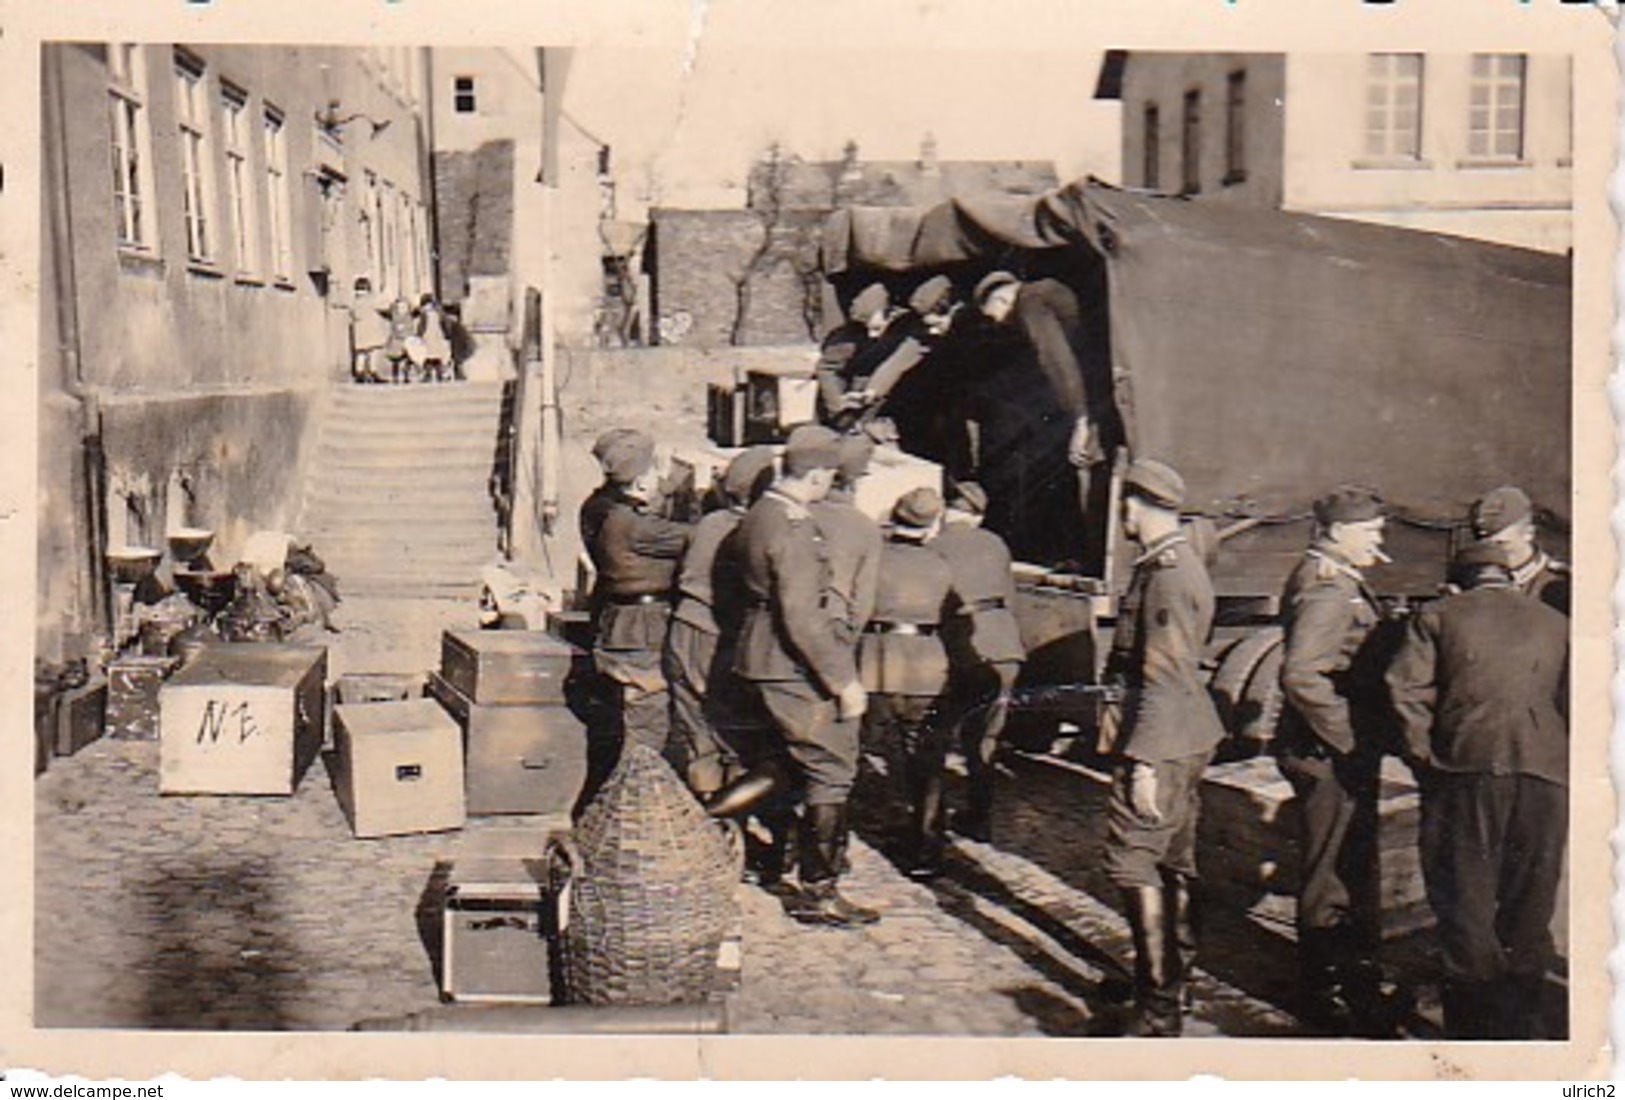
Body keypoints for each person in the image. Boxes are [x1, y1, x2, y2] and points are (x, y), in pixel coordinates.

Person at [1385, 541, 1567, 1039]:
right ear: (1506, 576)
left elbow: (1403, 689)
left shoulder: (1438, 616)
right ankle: (1523, 1025)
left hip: (1465, 774)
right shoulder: (1554, 622)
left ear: (1458, 580)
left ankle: (1474, 1034)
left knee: (1465, 899)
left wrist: (1426, 758)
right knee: (1531, 901)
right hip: (1546, 780)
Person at [1097, 458, 1226, 1037]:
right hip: (1183, 731)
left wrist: (1143, 760)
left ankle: (1158, 1007)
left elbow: (1164, 674)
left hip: (1163, 735)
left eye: (1126, 504)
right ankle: (1177, 977)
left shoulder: (1168, 574)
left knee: (1134, 858)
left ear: (1138, 505)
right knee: (1173, 858)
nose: (1123, 513)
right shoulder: (1168, 565)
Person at [730, 424, 877, 926]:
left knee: (784, 764)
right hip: (790, 662)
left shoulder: (758, 515)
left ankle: (716, 825)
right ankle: (819, 891)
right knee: (832, 768)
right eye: (826, 476)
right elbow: (803, 616)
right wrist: (843, 681)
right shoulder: (792, 526)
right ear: (815, 473)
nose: (826, 485)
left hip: (758, 654)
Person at [1275, 485, 1399, 1034]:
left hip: (1327, 747)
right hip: (1326, 750)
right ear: (1338, 532)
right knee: (1332, 871)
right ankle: (1322, 994)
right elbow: (1302, 674)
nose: (1378, 538)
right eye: (1369, 530)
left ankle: (1350, 982)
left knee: (1346, 862)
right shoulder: (1327, 589)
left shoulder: (1333, 576)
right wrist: (1349, 736)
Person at [971, 270, 1120, 566]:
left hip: (1088, 400)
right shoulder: (1050, 290)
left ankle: (1074, 555)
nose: (1002, 322)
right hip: (1100, 391)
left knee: (1066, 473)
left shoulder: (1029, 301)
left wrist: (1080, 419)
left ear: (1002, 297)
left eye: (997, 314)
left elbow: (1055, 359)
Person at [665, 446, 778, 800]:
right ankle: (729, 814)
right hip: (717, 637)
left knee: (697, 729)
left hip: (683, 627)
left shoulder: (708, 523)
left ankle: (705, 809)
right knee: (734, 730)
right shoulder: (748, 532)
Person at [860, 488, 958, 879]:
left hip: (877, 660)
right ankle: (927, 847)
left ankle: (871, 827)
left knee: (867, 748)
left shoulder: (875, 560)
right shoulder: (941, 565)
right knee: (927, 758)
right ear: (932, 525)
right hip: (927, 666)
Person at [584, 432, 691, 760]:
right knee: (648, 719)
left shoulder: (598, 507)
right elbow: (700, 536)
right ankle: (636, 798)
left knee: (628, 717)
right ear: (642, 481)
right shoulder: (634, 526)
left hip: (616, 621)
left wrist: (665, 485)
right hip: (642, 628)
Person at [930, 482, 1025, 843]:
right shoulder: (996, 544)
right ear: (978, 516)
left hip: (961, 648)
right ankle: (979, 819)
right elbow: (1011, 599)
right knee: (986, 738)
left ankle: (931, 821)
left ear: (946, 511)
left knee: (936, 734)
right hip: (1004, 646)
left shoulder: (934, 547)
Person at [1469, 485, 1569, 616]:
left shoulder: (1560, 585)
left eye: (1502, 544)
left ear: (1529, 533)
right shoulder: (1470, 579)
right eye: (1484, 546)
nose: (1492, 554)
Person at [816, 282, 894, 427]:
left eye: (877, 328)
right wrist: (838, 405)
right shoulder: (846, 340)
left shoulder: (900, 331)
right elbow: (827, 370)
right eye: (868, 329)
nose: (872, 335)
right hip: (854, 400)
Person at [348, 277, 388, 384]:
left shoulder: (355, 301)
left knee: (361, 353)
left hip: (360, 331)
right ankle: (373, 372)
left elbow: (352, 314)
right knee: (373, 352)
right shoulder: (372, 299)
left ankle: (359, 373)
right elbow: (383, 306)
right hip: (372, 330)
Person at [417, 294, 454, 383]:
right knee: (435, 357)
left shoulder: (426, 314)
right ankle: (437, 374)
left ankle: (432, 374)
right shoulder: (438, 313)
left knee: (431, 357)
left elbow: (421, 327)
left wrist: (419, 335)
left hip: (432, 336)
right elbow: (445, 325)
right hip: (435, 336)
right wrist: (447, 335)